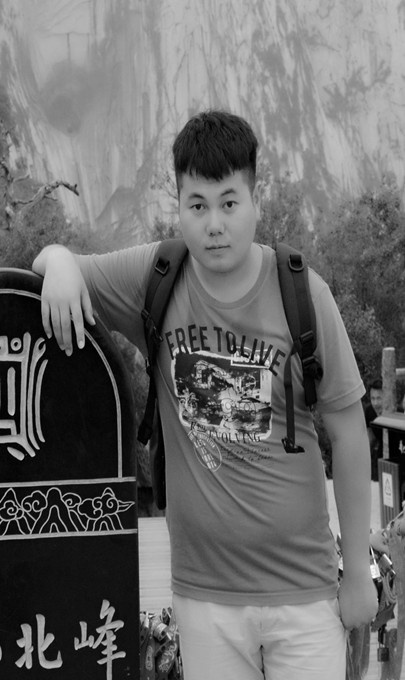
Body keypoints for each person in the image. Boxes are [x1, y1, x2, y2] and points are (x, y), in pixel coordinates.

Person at [32, 110, 377, 680]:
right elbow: (50, 259)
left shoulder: (302, 293)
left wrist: (358, 573)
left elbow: (348, 431)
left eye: (229, 202)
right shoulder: (158, 278)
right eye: (197, 205)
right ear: (179, 205)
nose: (214, 224)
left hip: (303, 595)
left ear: (255, 199)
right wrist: (63, 265)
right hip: (204, 599)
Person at [364, 378, 383, 481]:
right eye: (373, 398)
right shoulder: (369, 412)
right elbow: (370, 439)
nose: (375, 403)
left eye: (379, 398)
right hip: (379, 454)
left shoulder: (395, 412)